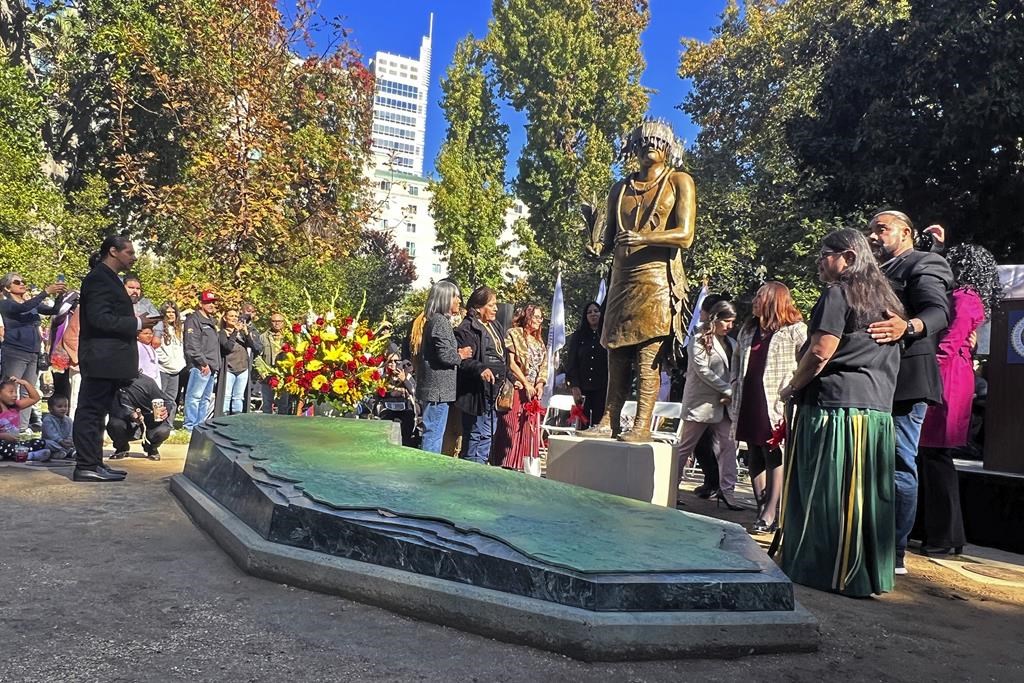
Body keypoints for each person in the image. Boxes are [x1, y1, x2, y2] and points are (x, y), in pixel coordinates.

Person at [777, 228, 904, 597]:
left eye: (824, 253)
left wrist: (793, 386)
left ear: (847, 257)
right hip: (876, 413)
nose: (819, 260)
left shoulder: (838, 292)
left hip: (837, 410)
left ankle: (823, 569)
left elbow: (820, 351)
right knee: (867, 496)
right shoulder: (887, 299)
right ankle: (864, 574)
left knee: (828, 491)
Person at [579, 119, 696, 442]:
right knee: (615, 356)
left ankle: (642, 424)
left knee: (648, 358)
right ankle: (608, 419)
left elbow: (685, 236)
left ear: (668, 147)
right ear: (633, 148)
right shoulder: (621, 188)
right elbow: (611, 240)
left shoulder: (679, 181)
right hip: (621, 282)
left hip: (658, 282)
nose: (650, 147)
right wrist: (595, 247)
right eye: (644, 142)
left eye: (658, 141)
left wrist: (644, 237)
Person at [865, 210, 954, 575]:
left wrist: (910, 326)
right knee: (872, 463)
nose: (873, 235)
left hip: (908, 381)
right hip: (874, 380)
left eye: (881, 229)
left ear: (906, 233)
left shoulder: (924, 262)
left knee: (900, 463)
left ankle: (894, 550)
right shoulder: (875, 272)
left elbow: (938, 311)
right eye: (870, 230)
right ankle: (867, 540)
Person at [917, 244, 1002, 555]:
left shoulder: (963, 297)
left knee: (936, 457)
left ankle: (944, 536)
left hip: (946, 380)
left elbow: (949, 344)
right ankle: (944, 535)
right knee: (933, 458)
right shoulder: (969, 297)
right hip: (951, 376)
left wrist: (926, 378)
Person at [73, 235, 159, 482]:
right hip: (101, 358)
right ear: (113, 251)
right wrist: (137, 322)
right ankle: (86, 465)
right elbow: (100, 319)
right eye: (129, 252)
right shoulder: (99, 278)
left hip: (109, 361)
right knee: (90, 412)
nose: (133, 257)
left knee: (99, 413)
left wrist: (137, 320)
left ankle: (94, 463)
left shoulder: (109, 279)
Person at [730, 282, 806, 534]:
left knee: (773, 450)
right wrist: (733, 383)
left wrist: (793, 387)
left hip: (775, 400)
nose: (754, 300)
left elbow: (807, 362)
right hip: (749, 396)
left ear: (774, 300)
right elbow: (737, 360)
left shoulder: (795, 330)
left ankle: (772, 511)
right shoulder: (748, 329)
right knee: (753, 450)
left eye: (759, 296)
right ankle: (761, 505)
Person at [673, 301, 741, 509]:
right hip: (701, 404)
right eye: (726, 321)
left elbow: (737, 370)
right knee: (686, 447)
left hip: (726, 406)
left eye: (732, 322)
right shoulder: (698, 340)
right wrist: (727, 389)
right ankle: (670, 489)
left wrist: (735, 390)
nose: (729, 326)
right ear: (715, 319)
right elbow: (703, 371)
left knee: (729, 446)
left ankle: (727, 491)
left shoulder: (732, 343)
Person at [0, 272, 66, 429]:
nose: (22, 284)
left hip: (33, 353)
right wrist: (45, 292)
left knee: (28, 391)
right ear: (7, 288)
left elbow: (54, 311)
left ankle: (22, 428)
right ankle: (6, 426)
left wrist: (59, 295)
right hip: (15, 352)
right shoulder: (5, 304)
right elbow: (22, 308)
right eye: (17, 282)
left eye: (23, 281)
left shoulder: (30, 302)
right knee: (9, 390)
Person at [415, 281, 469, 453]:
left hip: (437, 389)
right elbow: (445, 356)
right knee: (434, 434)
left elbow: (441, 350)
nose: (459, 301)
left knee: (433, 432)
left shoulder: (436, 321)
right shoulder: (440, 322)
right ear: (445, 299)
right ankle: (428, 473)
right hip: (438, 390)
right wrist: (461, 355)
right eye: (455, 297)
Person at [455, 286, 506, 464]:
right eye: (491, 305)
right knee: (475, 433)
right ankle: (470, 472)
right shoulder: (466, 328)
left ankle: (481, 466)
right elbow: (465, 359)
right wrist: (481, 369)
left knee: (488, 432)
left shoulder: (495, 326)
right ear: (478, 306)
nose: (496, 309)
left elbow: (502, 355)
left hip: (494, 389)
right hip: (476, 391)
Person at [495, 305, 548, 472]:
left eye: (541, 318)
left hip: (532, 393)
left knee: (528, 429)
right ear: (527, 316)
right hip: (517, 388)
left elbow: (544, 367)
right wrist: (525, 383)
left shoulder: (539, 342)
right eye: (537, 316)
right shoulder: (514, 334)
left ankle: (524, 466)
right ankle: (506, 463)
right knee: (512, 427)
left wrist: (539, 384)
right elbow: (511, 363)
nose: (540, 320)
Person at [107, 374, 174, 461]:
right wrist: (130, 414)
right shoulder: (114, 383)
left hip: (149, 421)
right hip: (127, 421)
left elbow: (167, 401)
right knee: (115, 424)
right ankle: (122, 447)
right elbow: (113, 408)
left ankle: (151, 448)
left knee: (163, 430)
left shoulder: (146, 382)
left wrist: (165, 410)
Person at [564, 301, 608, 427]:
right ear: (585, 316)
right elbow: (571, 362)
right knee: (582, 424)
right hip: (582, 388)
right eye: (589, 312)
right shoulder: (578, 336)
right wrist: (574, 386)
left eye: (596, 311)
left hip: (602, 388)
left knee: (598, 424)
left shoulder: (608, 335)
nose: (593, 314)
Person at [183, 291, 221, 432]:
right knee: (194, 397)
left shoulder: (211, 320)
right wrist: (202, 363)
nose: (211, 305)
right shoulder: (194, 319)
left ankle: (200, 426)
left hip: (211, 365)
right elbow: (192, 345)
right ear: (200, 303)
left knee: (205, 399)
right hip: (200, 366)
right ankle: (190, 426)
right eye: (207, 302)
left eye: (213, 302)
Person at [217, 308, 262, 415]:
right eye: (231, 316)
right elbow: (228, 347)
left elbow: (254, 348)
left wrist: (246, 333)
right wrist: (235, 332)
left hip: (243, 368)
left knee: (239, 396)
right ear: (225, 318)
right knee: (227, 396)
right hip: (229, 368)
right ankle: (225, 417)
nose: (234, 318)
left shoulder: (242, 334)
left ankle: (236, 418)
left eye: (236, 316)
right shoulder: (222, 333)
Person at [0, 377, 50, 462]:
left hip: (15, 444)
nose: (15, 395)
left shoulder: (15, 406)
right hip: (2, 443)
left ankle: (16, 454)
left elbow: (35, 398)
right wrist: (3, 436)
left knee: (40, 442)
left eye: (16, 392)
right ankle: (29, 455)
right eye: (11, 392)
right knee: (3, 446)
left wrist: (25, 383)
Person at [378, 346, 419, 447]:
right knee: (386, 421)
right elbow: (377, 394)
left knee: (408, 419)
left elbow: (415, 392)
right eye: (390, 361)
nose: (393, 364)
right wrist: (390, 393)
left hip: (405, 407)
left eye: (396, 361)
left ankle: (406, 444)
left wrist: (404, 380)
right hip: (388, 408)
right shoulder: (383, 375)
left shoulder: (407, 374)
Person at [258, 312, 292, 415]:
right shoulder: (263, 337)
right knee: (267, 405)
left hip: (283, 376)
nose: (276, 324)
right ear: (270, 322)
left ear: (283, 323)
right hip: (267, 376)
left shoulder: (289, 337)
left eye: (279, 321)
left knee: (283, 405)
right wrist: (261, 371)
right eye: (274, 321)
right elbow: (258, 356)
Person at [155, 302, 187, 402]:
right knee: (159, 398)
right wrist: (166, 361)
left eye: (173, 312)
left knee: (171, 399)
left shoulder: (178, 329)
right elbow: (157, 348)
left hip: (176, 370)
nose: (171, 314)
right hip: (163, 369)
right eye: (168, 312)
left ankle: (169, 418)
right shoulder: (158, 329)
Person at [41, 394, 76, 460]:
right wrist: (61, 441)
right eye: (59, 407)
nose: (63, 409)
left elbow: (70, 433)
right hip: (54, 442)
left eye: (66, 406)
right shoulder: (48, 419)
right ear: (50, 409)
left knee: (78, 442)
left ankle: (60, 453)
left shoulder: (69, 420)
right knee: (46, 443)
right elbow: (52, 434)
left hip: (65, 443)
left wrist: (69, 441)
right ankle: (69, 452)